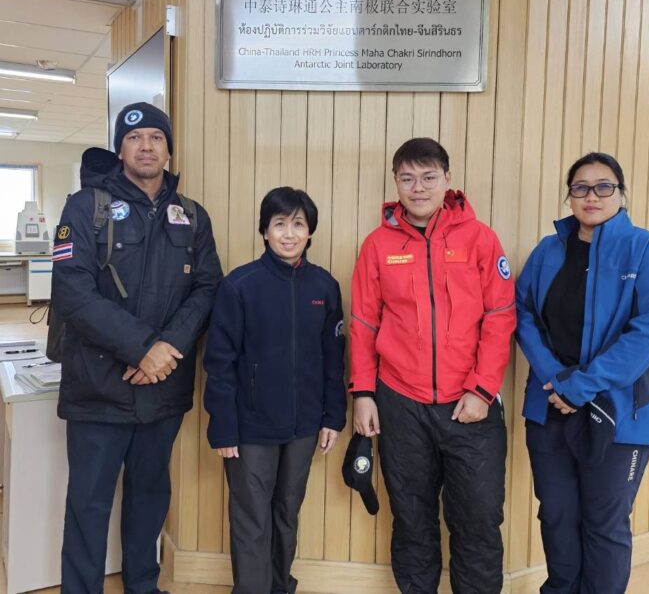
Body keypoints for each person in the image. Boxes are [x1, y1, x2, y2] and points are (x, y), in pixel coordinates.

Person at [52, 102, 222, 594]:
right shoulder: (86, 207)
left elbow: (209, 287)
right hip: (97, 389)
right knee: (88, 506)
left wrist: (165, 349)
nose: (146, 146)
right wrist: (141, 348)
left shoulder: (192, 216)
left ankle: (142, 586)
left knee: (149, 498)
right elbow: (72, 292)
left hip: (161, 392)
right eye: (134, 138)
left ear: (169, 149)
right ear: (120, 148)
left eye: (156, 137)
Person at [350, 138, 516, 593]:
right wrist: (363, 392)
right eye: (407, 178)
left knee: (479, 520)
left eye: (427, 177)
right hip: (401, 404)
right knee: (412, 519)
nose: (417, 187)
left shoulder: (480, 238)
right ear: (396, 183)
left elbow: (501, 318)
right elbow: (363, 323)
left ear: (447, 178)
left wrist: (482, 390)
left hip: (471, 408)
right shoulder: (378, 246)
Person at [515, 152, 649, 594]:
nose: (592, 195)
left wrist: (582, 386)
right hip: (550, 405)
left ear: (621, 194)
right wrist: (556, 378)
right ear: (569, 195)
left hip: (620, 414)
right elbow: (523, 313)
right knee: (555, 515)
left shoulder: (647, 251)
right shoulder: (548, 252)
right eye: (580, 187)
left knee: (604, 524)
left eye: (603, 186)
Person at [203, 187, 346, 594]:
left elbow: (333, 359)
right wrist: (224, 426)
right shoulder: (240, 285)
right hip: (250, 428)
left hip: (304, 428)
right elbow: (219, 361)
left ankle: (279, 585)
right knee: (252, 519)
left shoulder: (324, 286)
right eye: (279, 224)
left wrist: (332, 417)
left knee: (287, 514)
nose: (288, 233)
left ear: (309, 232)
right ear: (265, 231)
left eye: (298, 224)